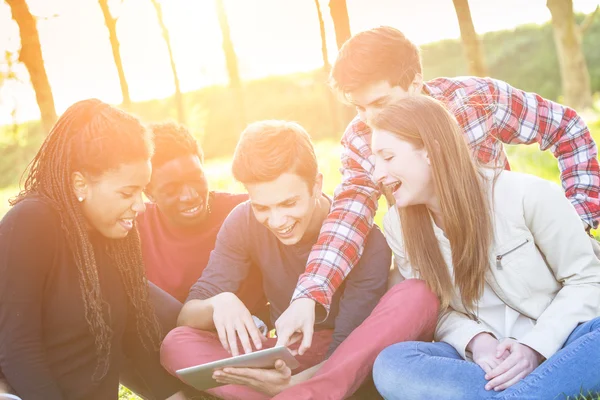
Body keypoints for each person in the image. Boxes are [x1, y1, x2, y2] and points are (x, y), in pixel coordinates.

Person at [274, 25, 600, 351]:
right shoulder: (361, 138)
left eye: (381, 103)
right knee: (400, 338)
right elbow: (348, 215)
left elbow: (566, 129)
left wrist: (577, 219)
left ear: (415, 83)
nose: (369, 120)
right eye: (360, 108)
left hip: (516, 253)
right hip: (452, 279)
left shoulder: (475, 101)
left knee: (587, 285)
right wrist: (311, 294)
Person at [160, 121, 438, 399]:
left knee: (416, 294)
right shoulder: (242, 222)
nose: (277, 221)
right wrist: (217, 303)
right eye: (262, 207)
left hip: (345, 357)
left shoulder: (367, 239)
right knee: (176, 343)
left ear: (316, 185)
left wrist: (300, 383)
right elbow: (187, 316)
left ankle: (298, 394)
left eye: (289, 204)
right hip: (283, 358)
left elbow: (347, 345)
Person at [368, 96, 600, 399]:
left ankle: (526, 388)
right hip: (483, 362)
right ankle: (536, 391)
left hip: (562, 342)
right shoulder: (399, 225)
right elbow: (437, 308)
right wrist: (477, 340)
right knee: (392, 364)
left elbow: (588, 281)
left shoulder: (528, 196)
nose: (377, 175)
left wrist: (535, 348)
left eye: (388, 157)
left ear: (432, 150)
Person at [0, 99, 188, 400]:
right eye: (127, 192)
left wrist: (175, 396)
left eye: (142, 190)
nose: (140, 206)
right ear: (80, 184)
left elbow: (134, 339)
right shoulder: (29, 223)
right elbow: (18, 350)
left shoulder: (115, 235)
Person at [138, 122, 265, 309]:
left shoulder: (249, 211)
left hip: (249, 333)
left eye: (196, 179)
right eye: (172, 189)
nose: (190, 196)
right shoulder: (135, 227)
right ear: (149, 193)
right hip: (167, 335)